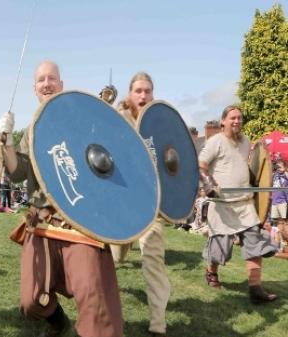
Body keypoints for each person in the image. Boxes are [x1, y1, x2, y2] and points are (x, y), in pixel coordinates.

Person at [0, 60, 123, 337]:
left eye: (51, 79)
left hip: (79, 220)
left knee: (92, 295)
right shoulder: (32, 130)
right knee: (31, 300)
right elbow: (18, 172)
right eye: (41, 80)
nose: (46, 84)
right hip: (41, 219)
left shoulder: (81, 120)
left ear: (61, 85)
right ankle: (57, 321)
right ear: (34, 89)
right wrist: (5, 144)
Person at [111, 72, 170, 337]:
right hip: (122, 203)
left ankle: (158, 324)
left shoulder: (159, 123)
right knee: (113, 256)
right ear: (130, 93)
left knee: (154, 261)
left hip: (151, 205)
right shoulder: (117, 118)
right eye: (138, 91)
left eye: (147, 91)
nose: (143, 96)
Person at [199, 105, 278, 304]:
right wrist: (209, 183)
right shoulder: (215, 141)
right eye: (233, 118)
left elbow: (250, 169)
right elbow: (200, 165)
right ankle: (211, 273)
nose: (237, 121)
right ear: (223, 120)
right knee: (219, 248)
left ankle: (255, 289)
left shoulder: (246, 142)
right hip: (222, 205)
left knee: (255, 243)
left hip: (245, 204)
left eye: (240, 118)